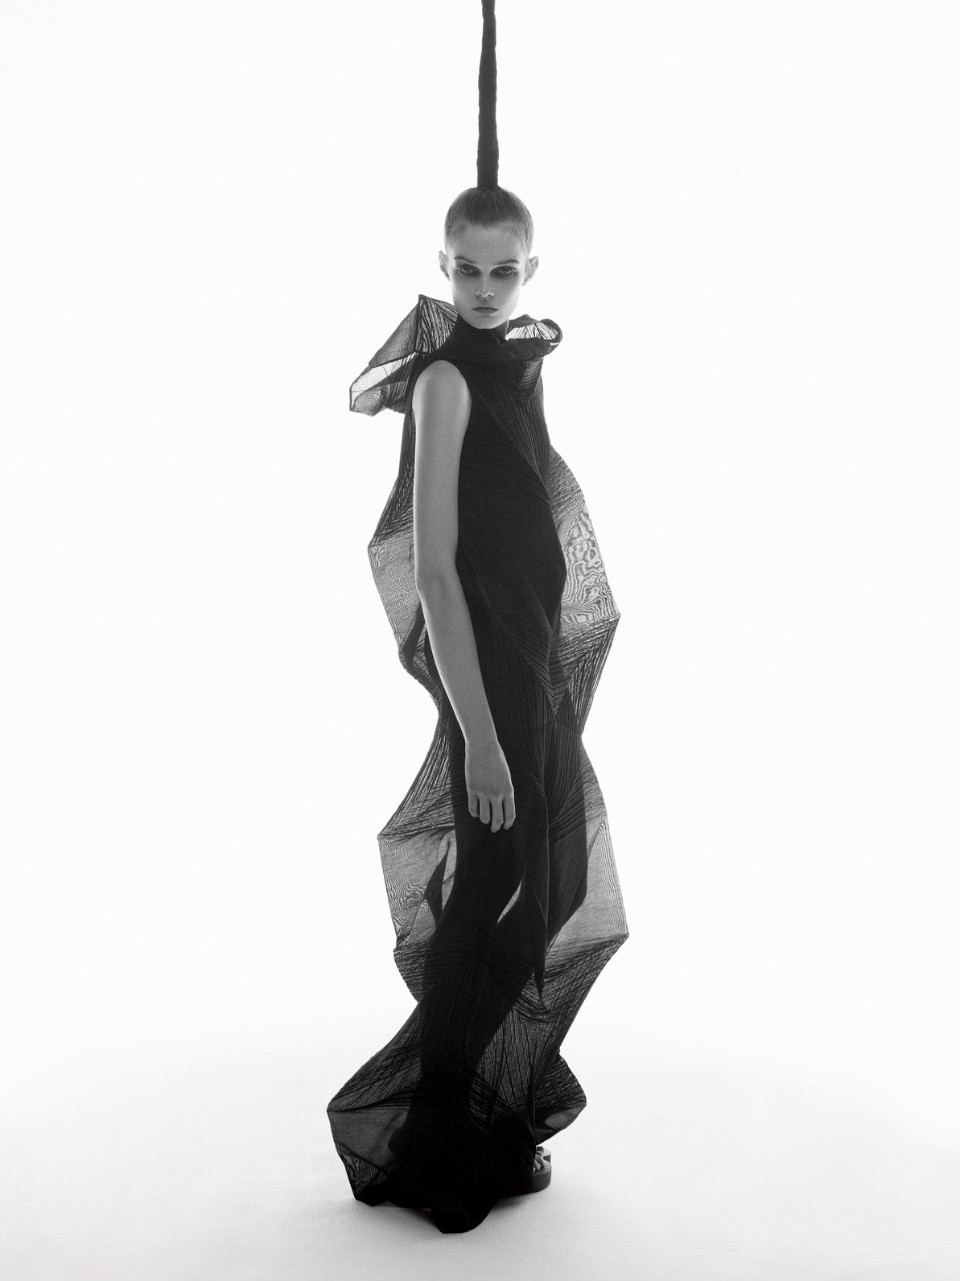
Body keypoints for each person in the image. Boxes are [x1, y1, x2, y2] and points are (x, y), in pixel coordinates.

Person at [326, 183, 628, 1233]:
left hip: (529, 671)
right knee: (498, 896)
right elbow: (436, 572)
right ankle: (435, 1129)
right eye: (468, 269)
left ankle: (452, 1107)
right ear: (443, 266)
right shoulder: (448, 381)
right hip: (490, 686)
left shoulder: (514, 366)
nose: (487, 288)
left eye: (505, 270)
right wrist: (483, 740)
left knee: (547, 885)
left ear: (529, 271)